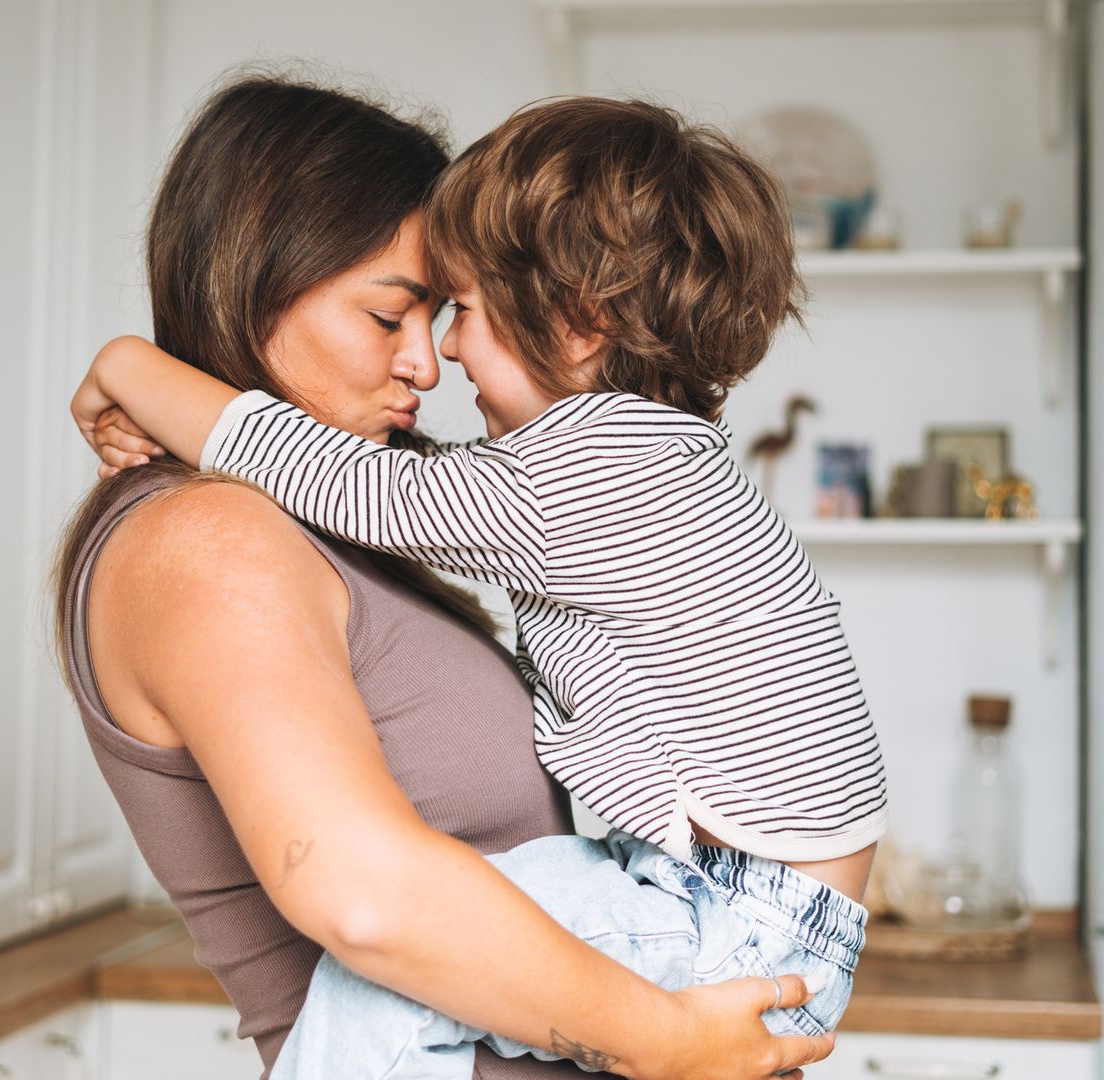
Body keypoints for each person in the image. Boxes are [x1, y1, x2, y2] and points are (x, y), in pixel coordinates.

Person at [73, 97, 886, 1078]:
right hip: (743, 912)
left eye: (457, 312)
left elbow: (365, 488)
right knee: (376, 988)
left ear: (582, 326)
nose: (436, 357)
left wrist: (129, 366)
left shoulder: (588, 474)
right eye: (393, 313)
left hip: (735, 914)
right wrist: (668, 1043)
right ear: (253, 284)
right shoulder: (211, 540)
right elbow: (368, 900)